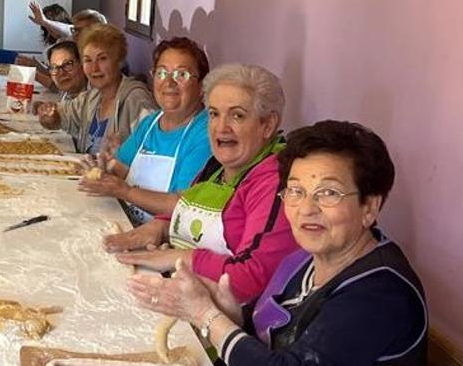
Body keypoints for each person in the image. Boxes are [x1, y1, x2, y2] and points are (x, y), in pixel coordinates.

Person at [128, 120, 428, 365]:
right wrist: (229, 311)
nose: (307, 208)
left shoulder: (381, 294)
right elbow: (266, 339)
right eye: (295, 191)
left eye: (328, 193)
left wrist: (206, 315)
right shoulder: (300, 261)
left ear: (369, 207)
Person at [105, 63, 299, 303]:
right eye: (214, 114)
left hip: (221, 321)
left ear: (267, 125)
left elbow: (252, 278)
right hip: (182, 293)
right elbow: (188, 205)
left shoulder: (275, 182)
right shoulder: (217, 166)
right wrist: (157, 228)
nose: (221, 127)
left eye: (237, 115)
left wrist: (182, 258)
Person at [79, 38, 212, 226]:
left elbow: (184, 207)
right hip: (127, 223)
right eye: (161, 73)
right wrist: (102, 168)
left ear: (201, 87)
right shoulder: (150, 123)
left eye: (181, 74)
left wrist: (125, 192)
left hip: (166, 241)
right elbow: (122, 169)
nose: (169, 82)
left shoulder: (206, 134)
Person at [38, 24, 157, 154]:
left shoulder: (137, 101)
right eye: (88, 60)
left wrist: (119, 166)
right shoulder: (92, 97)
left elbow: (153, 155)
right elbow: (62, 116)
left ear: (119, 61)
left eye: (102, 59)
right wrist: (50, 116)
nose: (94, 68)